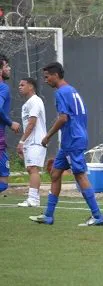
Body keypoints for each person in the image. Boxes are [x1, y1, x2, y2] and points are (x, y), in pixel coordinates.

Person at [29, 62, 103, 226]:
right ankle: (48, 215)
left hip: (72, 140)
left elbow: (63, 118)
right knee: (55, 174)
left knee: (79, 175)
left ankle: (98, 216)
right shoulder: (72, 90)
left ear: (55, 75)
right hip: (71, 140)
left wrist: (48, 136)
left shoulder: (61, 93)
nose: (45, 80)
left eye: (47, 76)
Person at [16, 78, 47, 207]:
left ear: (31, 87)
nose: (19, 87)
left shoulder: (35, 101)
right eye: (19, 85)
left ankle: (33, 199)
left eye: (22, 85)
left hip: (36, 141)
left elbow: (32, 123)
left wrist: (21, 141)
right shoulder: (27, 103)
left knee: (33, 168)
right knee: (30, 169)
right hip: (30, 142)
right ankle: (34, 198)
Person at [0, 54, 21, 195]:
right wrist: (10, 122)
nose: (9, 68)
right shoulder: (3, 88)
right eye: (6, 66)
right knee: (4, 181)